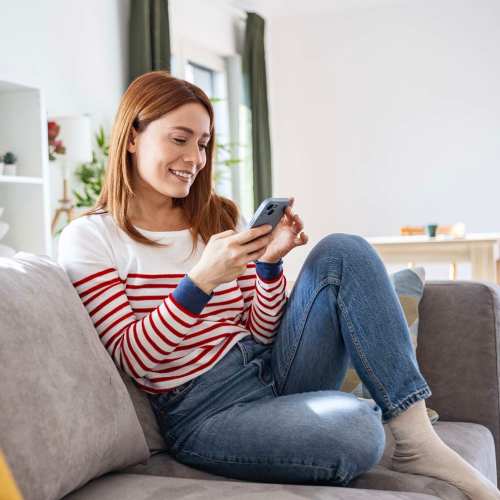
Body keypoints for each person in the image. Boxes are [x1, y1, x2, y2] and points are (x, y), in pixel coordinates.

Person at [58, 70, 499, 499]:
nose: (195, 158)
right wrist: (201, 280)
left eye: (204, 143)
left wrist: (269, 265)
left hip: (272, 368)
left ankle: (418, 440)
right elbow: (138, 362)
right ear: (132, 137)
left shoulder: (218, 217)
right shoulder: (92, 237)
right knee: (358, 428)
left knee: (344, 250)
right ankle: (376, 431)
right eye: (179, 139)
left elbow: (262, 331)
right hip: (205, 412)